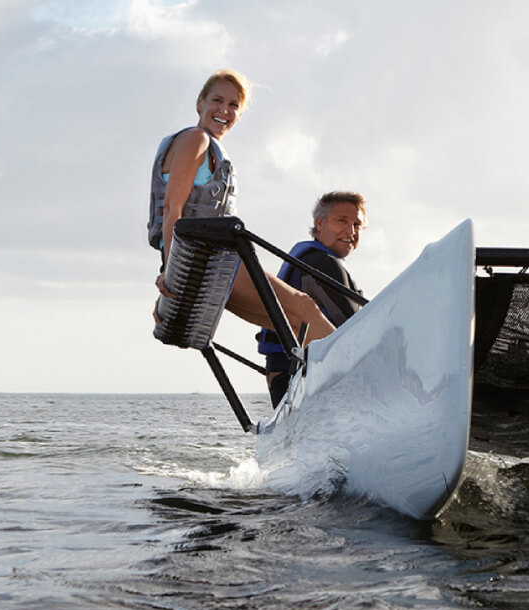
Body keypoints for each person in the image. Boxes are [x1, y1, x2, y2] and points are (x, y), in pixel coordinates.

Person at [148, 68, 336, 346]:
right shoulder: (195, 140)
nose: (224, 110)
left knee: (295, 325)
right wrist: (170, 273)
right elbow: (172, 208)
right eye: (217, 100)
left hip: (210, 266)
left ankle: (322, 384)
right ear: (200, 102)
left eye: (233, 105)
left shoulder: (208, 148)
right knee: (304, 307)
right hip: (209, 260)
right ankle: (365, 372)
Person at [256, 191, 367, 405]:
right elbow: (354, 328)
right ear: (319, 224)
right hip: (299, 378)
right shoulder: (321, 263)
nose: (351, 231)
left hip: (284, 376)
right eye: (342, 221)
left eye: (357, 225)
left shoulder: (309, 257)